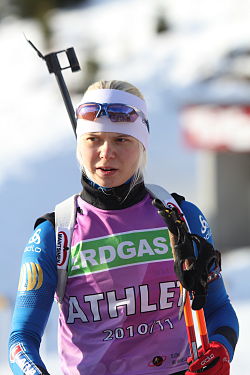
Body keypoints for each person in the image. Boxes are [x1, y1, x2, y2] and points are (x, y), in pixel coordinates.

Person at [9, 80, 239, 375]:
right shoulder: (55, 234)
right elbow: (21, 340)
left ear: (142, 144)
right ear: (80, 144)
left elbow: (219, 310)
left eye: (121, 139)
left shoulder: (182, 218)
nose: (106, 152)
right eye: (93, 139)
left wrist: (220, 350)